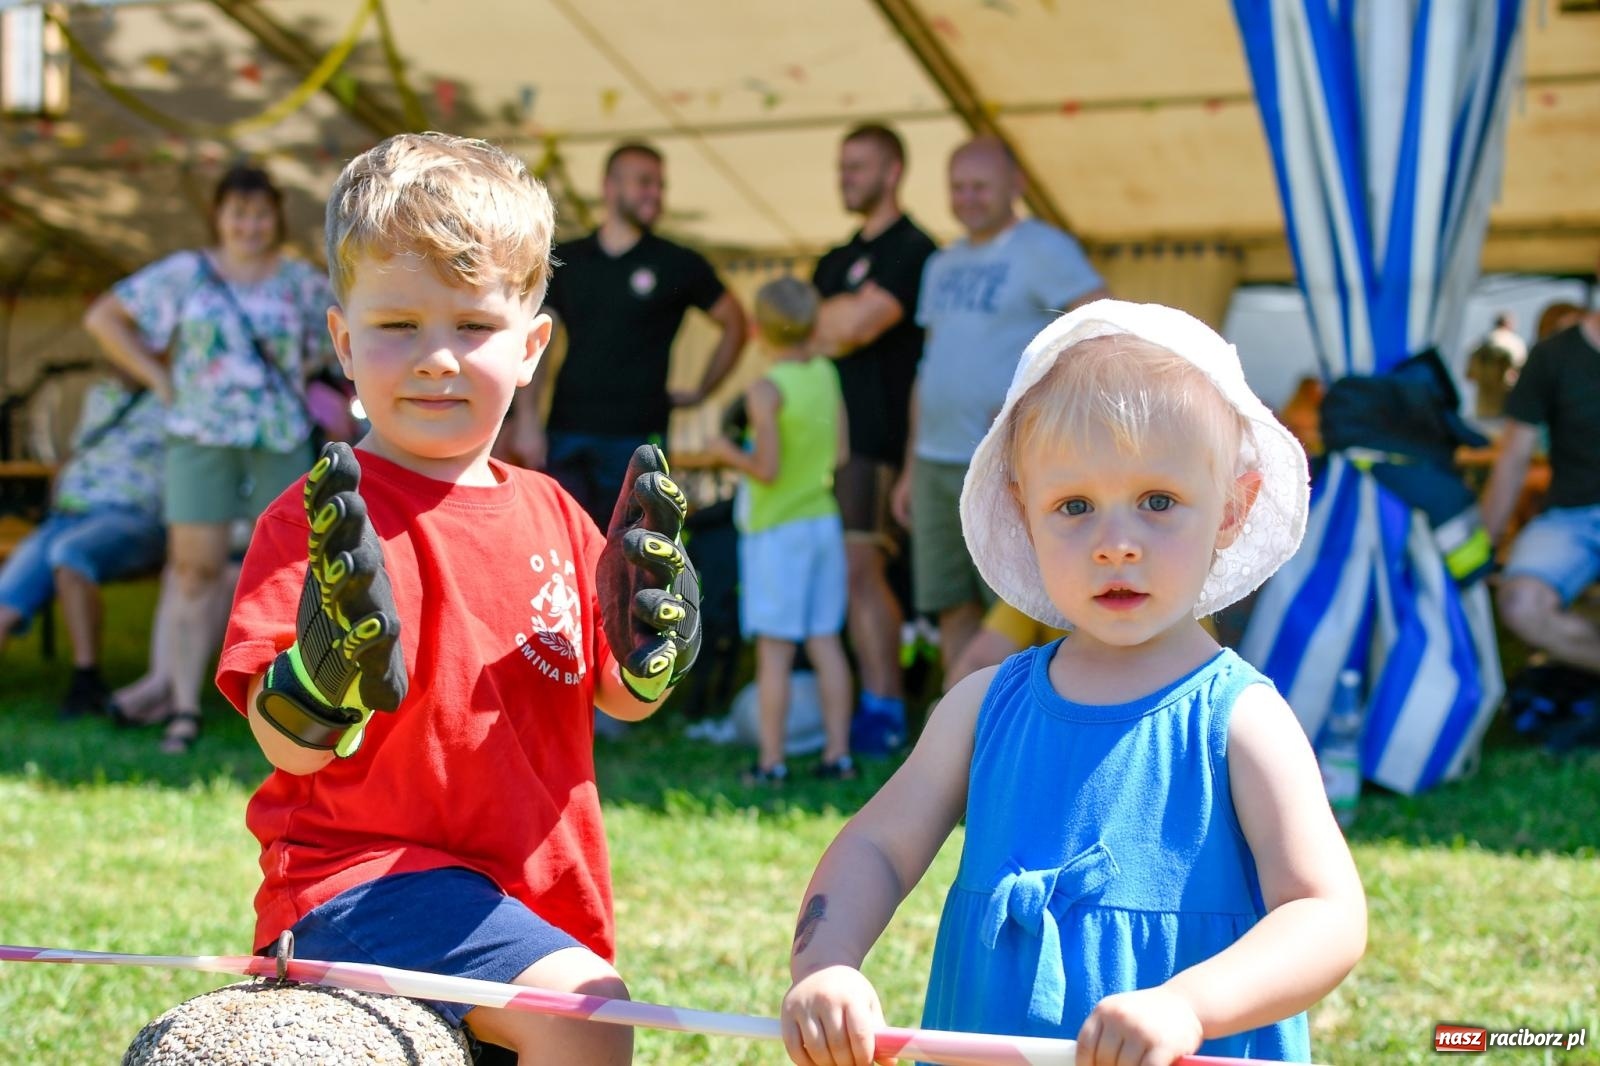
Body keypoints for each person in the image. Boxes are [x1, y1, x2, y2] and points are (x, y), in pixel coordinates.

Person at [214, 133, 701, 1064]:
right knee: (587, 1023)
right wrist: (320, 685)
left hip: (531, 898)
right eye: (399, 326)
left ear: (533, 347)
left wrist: (655, 651)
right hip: (358, 887)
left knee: (577, 1009)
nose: (437, 358)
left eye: (473, 326)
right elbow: (282, 746)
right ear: (344, 343)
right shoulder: (320, 520)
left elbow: (620, 697)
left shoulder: (557, 512)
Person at [780, 299, 1366, 1065]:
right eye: (1075, 506)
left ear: (1232, 508)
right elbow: (879, 847)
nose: (1115, 545)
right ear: (1024, 512)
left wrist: (1188, 1004)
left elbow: (1324, 912)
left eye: (1158, 501)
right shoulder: (983, 706)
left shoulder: (1240, 720)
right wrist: (826, 967)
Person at [84, 164, 337, 754]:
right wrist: (159, 379)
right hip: (199, 435)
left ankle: (289, 707)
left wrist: (300, 375)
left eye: (260, 212)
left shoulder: (300, 280)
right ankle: (181, 707)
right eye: (237, 211)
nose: (249, 224)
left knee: (288, 573)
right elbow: (104, 318)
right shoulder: (186, 274)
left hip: (277, 436)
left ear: (276, 217)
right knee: (193, 569)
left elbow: (345, 331)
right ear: (218, 216)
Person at [892, 136, 1107, 676]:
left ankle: (1018, 733)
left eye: (980, 186)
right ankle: (960, 731)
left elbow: (1100, 334)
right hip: (934, 461)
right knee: (950, 603)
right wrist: (907, 467)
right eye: (957, 187)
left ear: (1017, 185)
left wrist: (1035, 403)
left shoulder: (1045, 248)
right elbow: (929, 369)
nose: (967, 198)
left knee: (1014, 604)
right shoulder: (941, 263)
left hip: (1006, 463)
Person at [504, 141, 748, 526]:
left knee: (632, 555)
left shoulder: (677, 263)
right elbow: (537, 342)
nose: (656, 194)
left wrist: (704, 390)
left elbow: (736, 323)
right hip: (567, 430)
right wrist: (529, 420)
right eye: (644, 182)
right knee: (565, 544)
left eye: (660, 185)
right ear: (610, 187)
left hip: (638, 438)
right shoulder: (568, 258)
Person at [674, 277, 855, 784]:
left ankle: (771, 762)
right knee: (825, 642)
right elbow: (839, 454)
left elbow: (767, 468)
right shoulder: (825, 373)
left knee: (775, 650)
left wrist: (725, 451)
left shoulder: (765, 389)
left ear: (757, 331)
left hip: (778, 531)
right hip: (822, 519)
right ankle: (837, 756)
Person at [810, 123, 937, 755]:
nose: (845, 178)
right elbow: (800, 331)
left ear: (892, 173)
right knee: (843, 574)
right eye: (841, 167)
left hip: (878, 438)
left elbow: (855, 326)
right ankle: (863, 700)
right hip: (822, 444)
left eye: (857, 167)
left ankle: (884, 707)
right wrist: (835, 320)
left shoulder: (915, 250)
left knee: (865, 570)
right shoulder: (832, 260)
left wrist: (840, 319)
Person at [0, 371, 166, 717]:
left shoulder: (181, 393)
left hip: (131, 515)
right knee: (6, 602)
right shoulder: (101, 392)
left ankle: (85, 679)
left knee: (69, 554)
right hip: (66, 515)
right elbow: (76, 451)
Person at [1480, 298, 1600, 750]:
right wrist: (1484, 547)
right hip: (1570, 516)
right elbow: (1513, 457)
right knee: (1520, 605)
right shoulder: (1554, 355)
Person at [1464, 311, 1527, 421]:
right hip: (1504, 405)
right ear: (1509, 325)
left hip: (1483, 405)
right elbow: (1521, 371)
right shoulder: (1515, 343)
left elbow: (1469, 375)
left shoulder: (1481, 343)